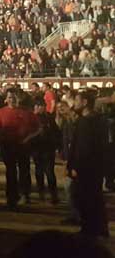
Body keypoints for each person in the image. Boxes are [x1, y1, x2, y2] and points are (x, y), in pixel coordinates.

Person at [67, 90, 110, 237]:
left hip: (85, 168)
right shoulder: (99, 120)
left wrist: (75, 167)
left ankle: (88, 229)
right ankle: (101, 228)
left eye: (77, 100)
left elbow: (82, 148)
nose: (74, 103)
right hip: (97, 166)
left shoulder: (85, 122)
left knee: (83, 198)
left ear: (85, 103)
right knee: (96, 198)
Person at [0, 90, 40, 209]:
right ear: (6, 99)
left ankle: (25, 194)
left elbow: (38, 128)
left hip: (23, 145)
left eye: (14, 97)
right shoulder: (0, 112)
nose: (12, 100)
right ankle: (11, 197)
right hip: (8, 145)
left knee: (24, 170)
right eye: (9, 97)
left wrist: (28, 138)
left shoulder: (27, 112)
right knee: (10, 172)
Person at [31, 98, 61, 204]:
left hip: (47, 149)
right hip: (38, 148)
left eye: (42, 106)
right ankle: (42, 193)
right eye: (39, 106)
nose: (41, 108)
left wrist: (57, 145)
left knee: (49, 172)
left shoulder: (49, 118)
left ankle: (52, 194)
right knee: (40, 171)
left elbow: (56, 132)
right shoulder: (32, 118)